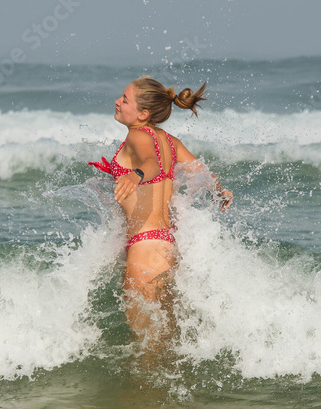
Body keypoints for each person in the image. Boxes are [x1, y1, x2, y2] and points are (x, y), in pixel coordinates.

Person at [90, 76, 232, 337]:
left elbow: (150, 163)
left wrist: (136, 175)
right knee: (165, 340)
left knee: (146, 348)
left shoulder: (137, 135)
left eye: (124, 99)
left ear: (143, 114)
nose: (117, 102)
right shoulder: (170, 141)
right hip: (168, 247)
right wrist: (220, 192)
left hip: (145, 250)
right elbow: (204, 174)